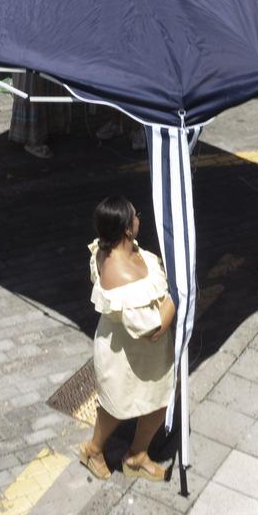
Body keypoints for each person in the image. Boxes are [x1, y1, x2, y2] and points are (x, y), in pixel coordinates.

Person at [77, 196, 176, 481]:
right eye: (136, 215)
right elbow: (154, 329)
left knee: (158, 400)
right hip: (126, 354)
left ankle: (137, 455)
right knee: (117, 406)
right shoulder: (122, 273)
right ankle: (93, 450)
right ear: (126, 229)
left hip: (141, 352)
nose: (139, 218)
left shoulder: (113, 246)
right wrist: (179, 295)